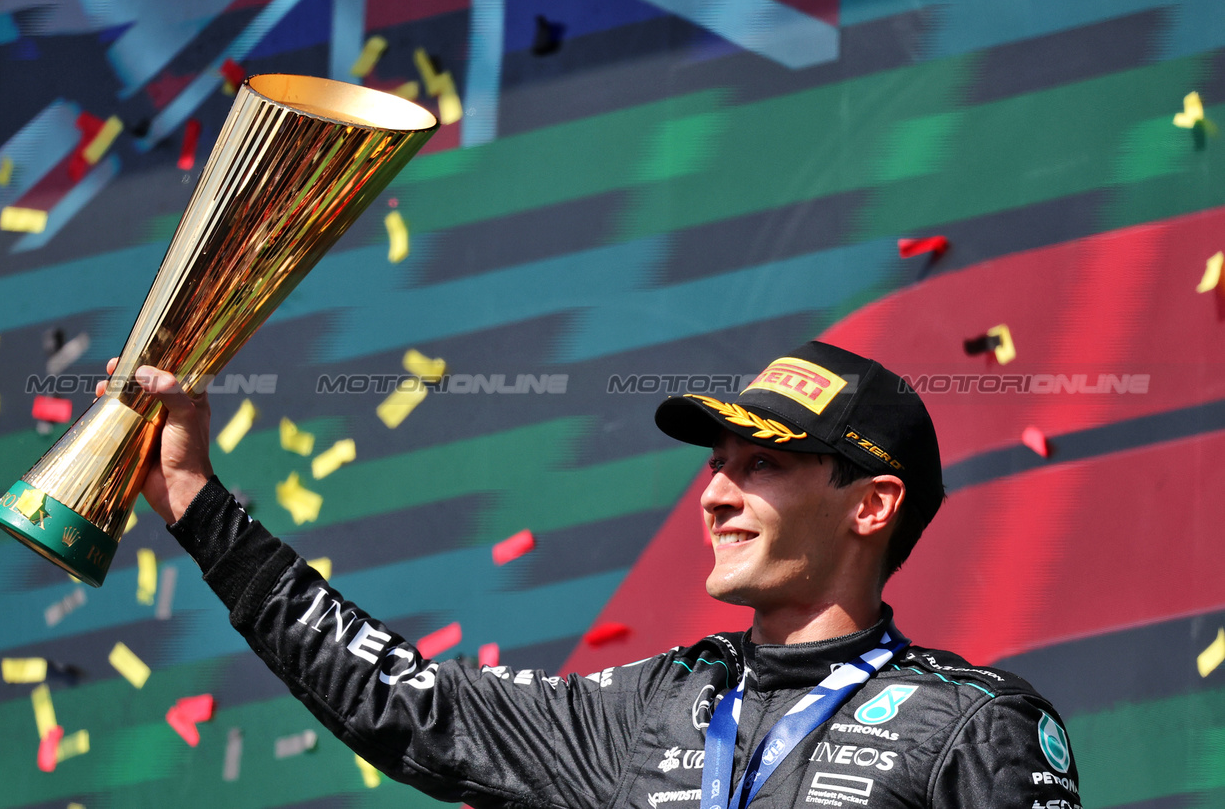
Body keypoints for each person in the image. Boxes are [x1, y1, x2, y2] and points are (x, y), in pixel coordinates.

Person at [100, 341, 1082, 808]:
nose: (715, 496)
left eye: (764, 465)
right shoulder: (654, 707)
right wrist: (192, 496)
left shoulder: (970, 725)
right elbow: (408, 705)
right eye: (715, 466)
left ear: (870, 505)